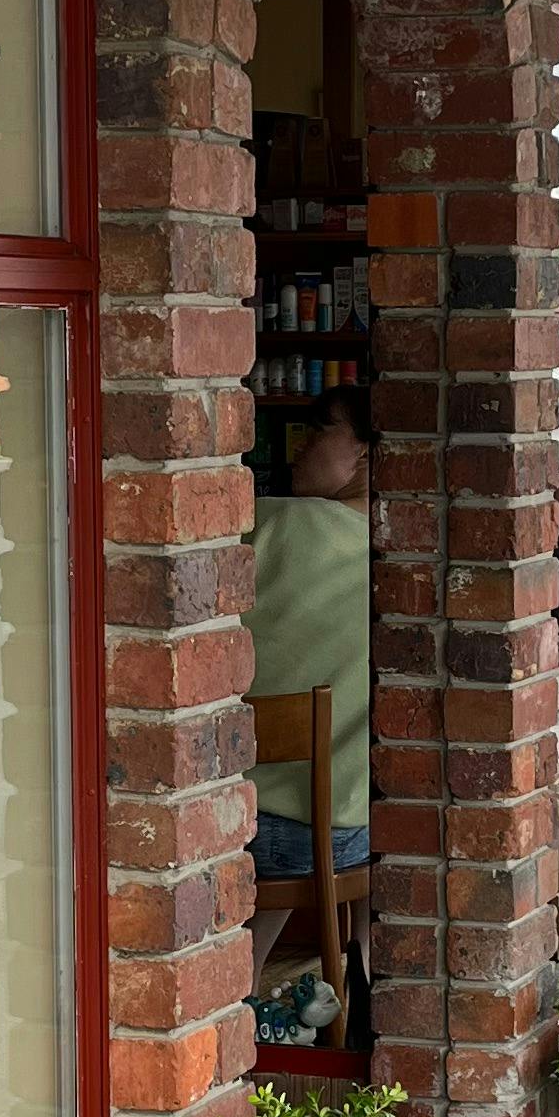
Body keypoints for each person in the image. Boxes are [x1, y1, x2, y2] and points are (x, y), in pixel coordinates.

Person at [249, 387, 372, 991]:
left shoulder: (273, 524)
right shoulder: (413, 551)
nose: (299, 447)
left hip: (265, 827)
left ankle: (229, 1007)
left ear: (367, 455)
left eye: (320, 430)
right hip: (359, 832)